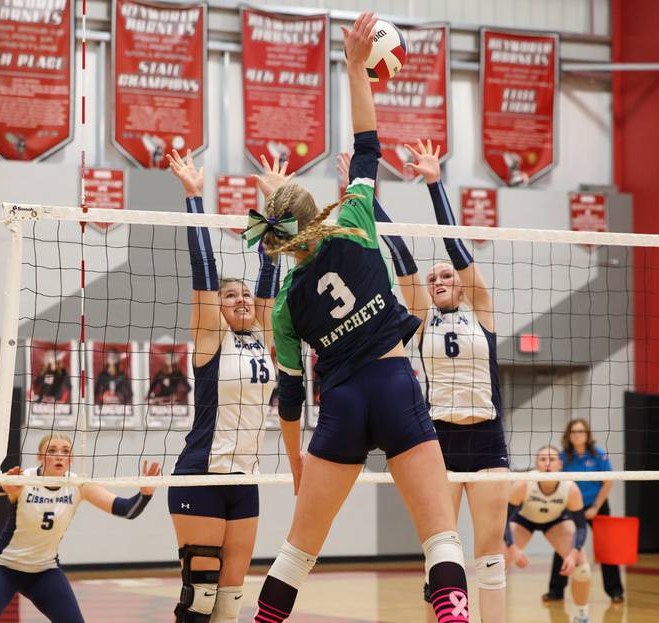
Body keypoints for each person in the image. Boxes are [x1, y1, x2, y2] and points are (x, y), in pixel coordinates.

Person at [249, 14, 469, 623]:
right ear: (316, 205)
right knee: (441, 540)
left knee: (295, 554)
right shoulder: (354, 216)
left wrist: (296, 462)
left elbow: (290, 395)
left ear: (277, 236)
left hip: (341, 408)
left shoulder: (289, 302)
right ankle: (453, 612)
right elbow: (368, 144)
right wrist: (351, 66)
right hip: (396, 387)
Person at [337, 139, 510, 622]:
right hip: (441, 439)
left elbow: (456, 245)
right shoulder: (417, 322)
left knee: (490, 555)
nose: (439, 279)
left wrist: (436, 185)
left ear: (461, 283)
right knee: (441, 552)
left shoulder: (482, 311)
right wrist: (366, 196)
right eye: (434, 279)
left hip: (488, 437)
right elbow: (400, 255)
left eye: (447, 276)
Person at [164, 146, 282, 623]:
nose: (241, 299)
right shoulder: (211, 339)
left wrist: (274, 204)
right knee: (201, 599)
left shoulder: (266, 336)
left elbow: (271, 267)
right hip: (201, 473)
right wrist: (195, 197)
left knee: (231, 603)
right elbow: (204, 272)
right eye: (230, 295)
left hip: (246, 478)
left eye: (244, 295)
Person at [0, 432, 159, 623]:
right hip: (4, 566)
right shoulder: (23, 479)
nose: (59, 455)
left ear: (71, 458)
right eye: (52, 450)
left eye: (65, 451)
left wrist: (145, 495)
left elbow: (127, 510)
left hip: (44, 569)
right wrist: (3, 484)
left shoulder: (78, 484)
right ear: (40, 457)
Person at [506, 446, 592, 623]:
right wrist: (513, 549)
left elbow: (581, 527)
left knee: (582, 568)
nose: (547, 464)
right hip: (524, 520)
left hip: (556, 522)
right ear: (536, 463)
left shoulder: (570, 488)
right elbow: (502, 521)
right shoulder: (523, 483)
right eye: (543, 459)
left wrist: (574, 552)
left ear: (560, 463)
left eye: (551, 459)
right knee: (497, 562)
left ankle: (582, 616)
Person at [544, 419, 624, 603]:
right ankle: (556, 591)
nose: (577, 434)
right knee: (564, 545)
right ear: (568, 436)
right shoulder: (563, 457)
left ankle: (615, 591)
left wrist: (596, 507)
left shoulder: (598, 455)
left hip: (597, 504)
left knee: (607, 547)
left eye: (580, 431)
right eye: (573, 432)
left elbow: (608, 481)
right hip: (572, 505)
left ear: (587, 434)